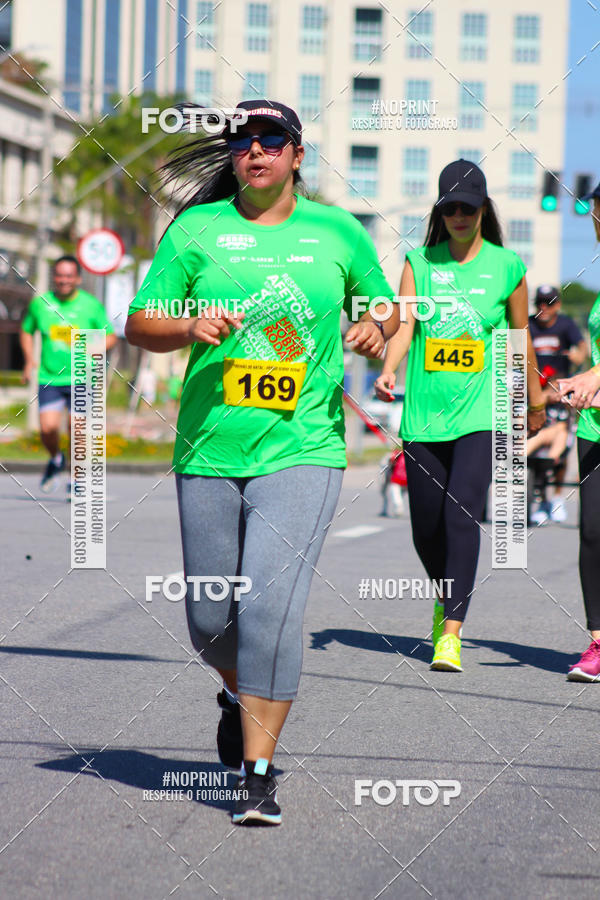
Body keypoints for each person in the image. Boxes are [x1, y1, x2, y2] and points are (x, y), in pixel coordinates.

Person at [125, 99, 398, 824]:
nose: (255, 151)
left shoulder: (336, 231)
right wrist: (187, 324)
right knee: (210, 620)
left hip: (304, 447)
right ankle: (234, 691)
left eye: (270, 139)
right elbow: (140, 321)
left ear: (296, 154)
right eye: (243, 140)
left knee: (272, 609)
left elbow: (384, 304)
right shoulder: (197, 229)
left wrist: (375, 324)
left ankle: (259, 772)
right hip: (209, 448)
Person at [374, 158, 545, 672]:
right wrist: (389, 368)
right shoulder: (419, 264)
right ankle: (447, 598)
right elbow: (404, 326)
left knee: (461, 513)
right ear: (439, 211)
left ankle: (450, 634)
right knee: (426, 529)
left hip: (482, 414)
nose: (459, 215)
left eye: (468, 207)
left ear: (483, 208)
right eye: (450, 208)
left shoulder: (507, 267)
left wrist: (534, 402)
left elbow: (520, 341)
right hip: (424, 419)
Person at [20, 256, 117, 493]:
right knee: (48, 429)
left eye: (69, 276)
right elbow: (26, 330)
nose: (64, 280)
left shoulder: (91, 305)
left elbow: (110, 336)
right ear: (54, 277)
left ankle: (76, 480)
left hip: (82, 378)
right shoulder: (41, 304)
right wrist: (29, 360)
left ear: (78, 279)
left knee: (77, 429)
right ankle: (56, 458)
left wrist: (95, 347)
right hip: (50, 377)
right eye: (60, 275)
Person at [558, 179, 600, 681]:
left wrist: (592, 375)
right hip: (594, 422)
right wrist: (580, 382)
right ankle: (597, 642)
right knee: (592, 533)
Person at [528, 284, 585, 523]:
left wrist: (578, 355)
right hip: (532, 393)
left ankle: (558, 496)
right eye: (540, 302)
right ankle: (536, 497)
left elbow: (582, 348)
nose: (544, 307)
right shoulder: (528, 324)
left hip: (559, 394)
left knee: (562, 449)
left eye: (549, 303)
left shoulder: (566, 325)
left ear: (558, 305)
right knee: (530, 444)